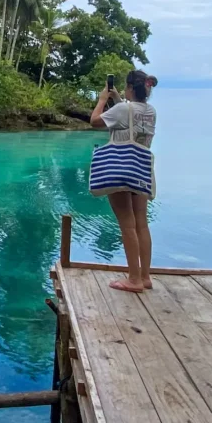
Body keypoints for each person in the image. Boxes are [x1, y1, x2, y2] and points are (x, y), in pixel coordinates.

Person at [90, 70, 157, 293]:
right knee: (141, 223)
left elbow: (95, 122)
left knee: (126, 224)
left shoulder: (122, 109)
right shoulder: (150, 111)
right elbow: (130, 117)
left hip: (120, 169)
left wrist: (102, 100)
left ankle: (134, 280)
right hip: (140, 170)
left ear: (130, 88)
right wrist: (118, 99)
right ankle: (145, 276)